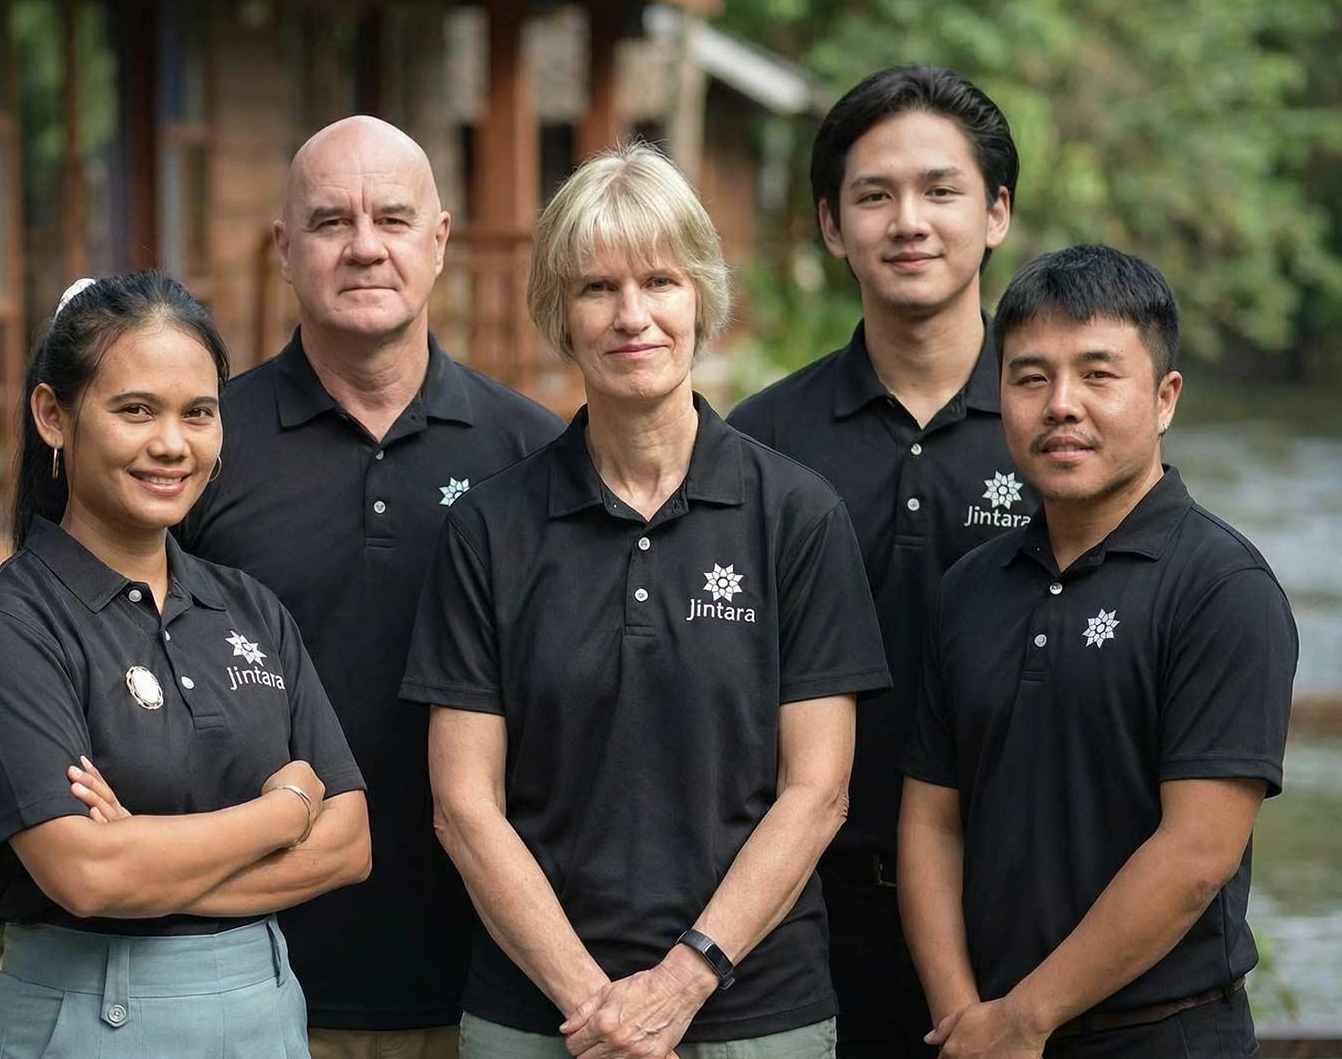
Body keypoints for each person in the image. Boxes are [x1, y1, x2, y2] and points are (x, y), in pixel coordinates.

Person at [401, 141, 890, 1059]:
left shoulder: (794, 515)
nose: (634, 316)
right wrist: (600, 1008)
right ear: (559, 314)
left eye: (660, 281)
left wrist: (681, 981)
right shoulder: (492, 529)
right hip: (540, 1013)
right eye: (596, 289)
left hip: (753, 1006)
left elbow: (817, 792)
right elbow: (464, 803)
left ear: (700, 296)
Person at [178, 115, 563, 1059]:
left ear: (439, 240)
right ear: (283, 249)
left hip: (491, 981)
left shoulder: (535, 454)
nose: (363, 247)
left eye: (392, 218)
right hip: (253, 975)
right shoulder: (203, 448)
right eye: (329, 222)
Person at [0, 271, 372, 1058]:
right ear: (53, 416)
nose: (172, 443)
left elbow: (350, 843)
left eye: (198, 414)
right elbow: (89, 876)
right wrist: (282, 814)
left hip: (265, 1008)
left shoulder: (248, 609)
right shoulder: (6, 628)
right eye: (136, 410)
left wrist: (149, 860)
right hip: (96, 1013)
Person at [900, 245, 1295, 1057]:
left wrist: (1024, 1018)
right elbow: (933, 819)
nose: (1061, 405)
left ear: (1164, 397)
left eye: (1099, 375)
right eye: (1031, 377)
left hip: (1164, 1034)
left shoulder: (1221, 587)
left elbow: (1196, 854)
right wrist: (966, 1016)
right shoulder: (970, 588)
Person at [727, 65, 1034, 1058]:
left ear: (994, 214)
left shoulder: (1062, 430)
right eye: (874, 196)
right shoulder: (759, 444)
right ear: (830, 226)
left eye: (941, 191)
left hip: (1025, 905)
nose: (909, 221)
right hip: (807, 917)